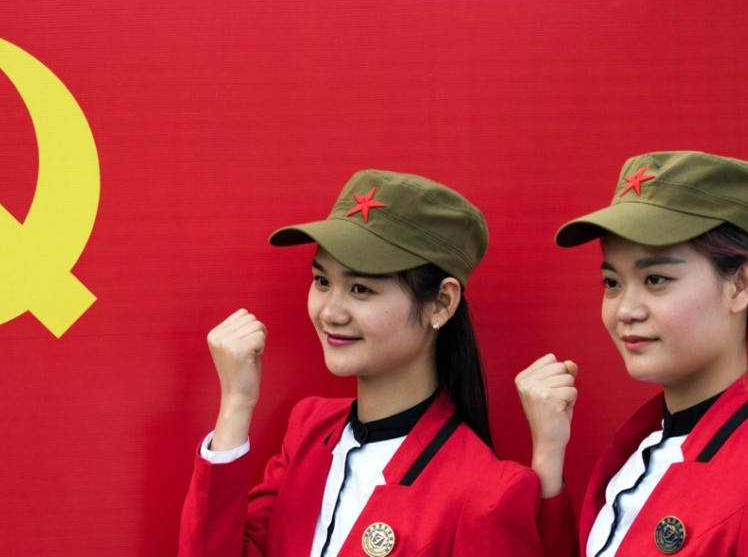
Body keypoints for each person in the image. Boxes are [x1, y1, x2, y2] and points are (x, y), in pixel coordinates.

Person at [179, 169, 547, 556]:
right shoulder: (308, 431)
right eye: (322, 281)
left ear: (441, 302)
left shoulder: (488, 494)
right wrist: (237, 404)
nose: (330, 312)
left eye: (360, 288)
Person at [517, 150, 748, 556]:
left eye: (655, 278)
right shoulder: (641, 449)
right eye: (612, 282)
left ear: (740, 285)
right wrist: (548, 461)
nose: (625, 310)